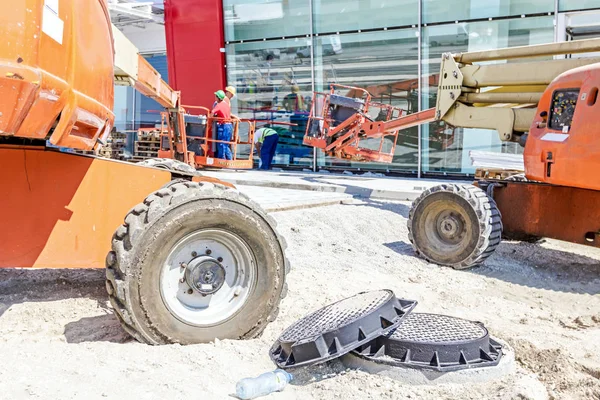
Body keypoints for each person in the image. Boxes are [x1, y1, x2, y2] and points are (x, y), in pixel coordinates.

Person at [212, 90, 233, 160]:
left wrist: (209, 118)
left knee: (221, 145)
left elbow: (212, 113)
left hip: (223, 126)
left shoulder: (219, 105)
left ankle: (221, 161)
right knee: (225, 145)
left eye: (215, 96)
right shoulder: (226, 105)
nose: (215, 98)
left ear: (218, 98)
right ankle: (230, 161)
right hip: (229, 126)